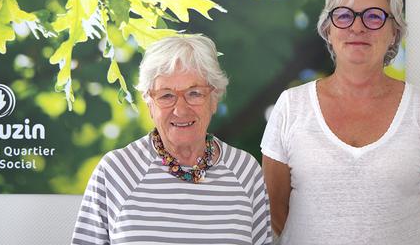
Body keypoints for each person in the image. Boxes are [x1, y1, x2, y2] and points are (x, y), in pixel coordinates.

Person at [261, 0, 420, 245]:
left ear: (394, 32)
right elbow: (274, 209)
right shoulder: (291, 106)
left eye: (373, 16)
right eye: (344, 16)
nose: (357, 28)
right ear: (328, 29)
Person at [72, 35, 272, 245]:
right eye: (166, 95)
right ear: (150, 104)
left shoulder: (245, 171)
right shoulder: (116, 171)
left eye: (194, 93)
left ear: (214, 99)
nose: (181, 109)